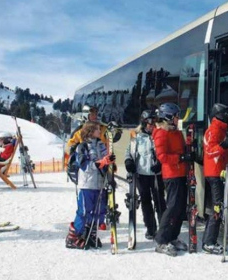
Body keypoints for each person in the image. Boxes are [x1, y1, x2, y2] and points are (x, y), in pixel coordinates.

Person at [65, 121, 116, 250]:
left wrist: (110, 164)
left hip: (100, 184)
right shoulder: (82, 147)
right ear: (91, 131)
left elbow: (106, 161)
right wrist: (101, 163)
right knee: (84, 212)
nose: (100, 132)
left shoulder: (101, 145)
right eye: (98, 129)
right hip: (87, 184)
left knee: (98, 212)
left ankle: (91, 234)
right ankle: (73, 237)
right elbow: (85, 166)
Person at [152, 102, 194, 257]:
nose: (178, 119)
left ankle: (173, 236)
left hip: (181, 173)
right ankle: (161, 240)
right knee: (172, 208)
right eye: (176, 116)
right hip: (171, 175)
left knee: (180, 208)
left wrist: (189, 152)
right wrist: (181, 157)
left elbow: (183, 148)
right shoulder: (161, 133)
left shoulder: (176, 132)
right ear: (168, 117)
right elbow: (162, 157)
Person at [202, 103, 228, 254]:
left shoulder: (223, 129)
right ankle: (209, 242)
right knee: (218, 206)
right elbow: (209, 151)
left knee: (219, 205)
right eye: (226, 114)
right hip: (214, 172)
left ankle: (209, 239)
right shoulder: (214, 130)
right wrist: (224, 145)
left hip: (220, 171)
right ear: (220, 115)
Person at [124, 110, 166, 240]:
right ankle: (151, 228)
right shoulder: (135, 136)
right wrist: (128, 161)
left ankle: (163, 228)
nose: (151, 125)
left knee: (160, 202)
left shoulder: (159, 134)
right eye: (149, 122)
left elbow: (164, 151)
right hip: (142, 174)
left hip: (156, 173)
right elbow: (128, 152)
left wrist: (160, 163)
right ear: (143, 123)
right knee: (146, 202)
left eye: (154, 122)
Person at [66, 105, 109, 230]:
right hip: (88, 178)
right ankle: (79, 232)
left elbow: (107, 144)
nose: (95, 116)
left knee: (99, 205)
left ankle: (94, 228)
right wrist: (75, 152)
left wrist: (108, 163)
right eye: (92, 114)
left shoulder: (102, 130)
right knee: (85, 208)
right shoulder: (80, 133)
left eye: (96, 113)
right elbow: (72, 147)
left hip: (99, 178)